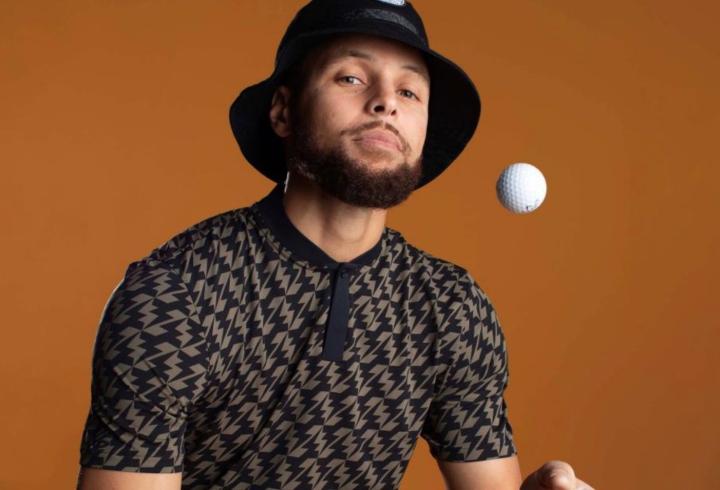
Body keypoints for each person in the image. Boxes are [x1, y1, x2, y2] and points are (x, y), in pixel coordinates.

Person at [77, 1, 595, 489]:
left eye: (410, 92)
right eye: (351, 78)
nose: (386, 102)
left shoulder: (451, 307)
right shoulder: (175, 294)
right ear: (283, 112)